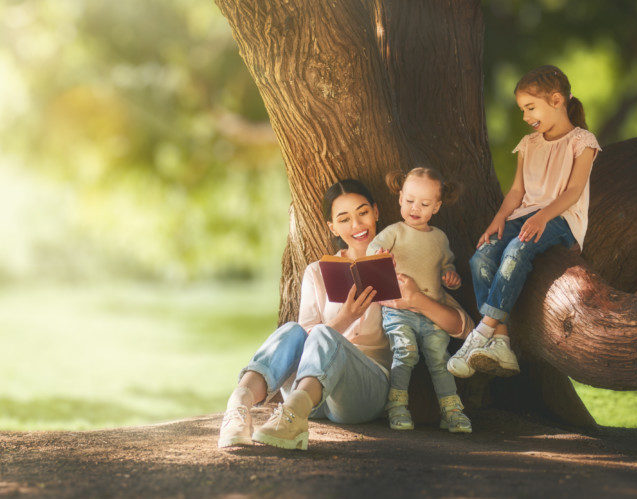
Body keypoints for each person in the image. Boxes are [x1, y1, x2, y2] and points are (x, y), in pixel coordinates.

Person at [218, 179, 471, 451]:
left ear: (375, 212)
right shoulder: (317, 272)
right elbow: (305, 340)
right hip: (307, 395)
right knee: (292, 331)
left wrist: (416, 299)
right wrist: (347, 317)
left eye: (362, 213)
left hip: (362, 393)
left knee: (324, 334)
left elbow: (464, 328)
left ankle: (291, 418)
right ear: (332, 227)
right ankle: (237, 410)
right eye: (344, 219)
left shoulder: (405, 268)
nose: (356, 226)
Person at [448, 65, 601, 379]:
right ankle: (502, 342)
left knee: (516, 251)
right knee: (481, 258)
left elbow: (573, 191)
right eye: (522, 109)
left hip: (560, 219)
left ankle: (479, 334)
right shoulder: (528, 144)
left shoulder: (582, 141)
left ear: (557, 100)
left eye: (530, 107)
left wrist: (544, 216)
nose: (525, 116)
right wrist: (498, 219)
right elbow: (517, 191)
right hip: (524, 216)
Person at [367, 168, 474, 433]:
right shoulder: (395, 232)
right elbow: (372, 250)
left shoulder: (439, 238)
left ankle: (452, 411)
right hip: (399, 310)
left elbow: (447, 265)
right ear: (400, 198)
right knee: (405, 353)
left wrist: (451, 276)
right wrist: (379, 255)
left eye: (425, 204)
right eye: (410, 200)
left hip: (432, 310)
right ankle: (396, 406)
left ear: (437, 206)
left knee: (440, 359)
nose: (416, 208)